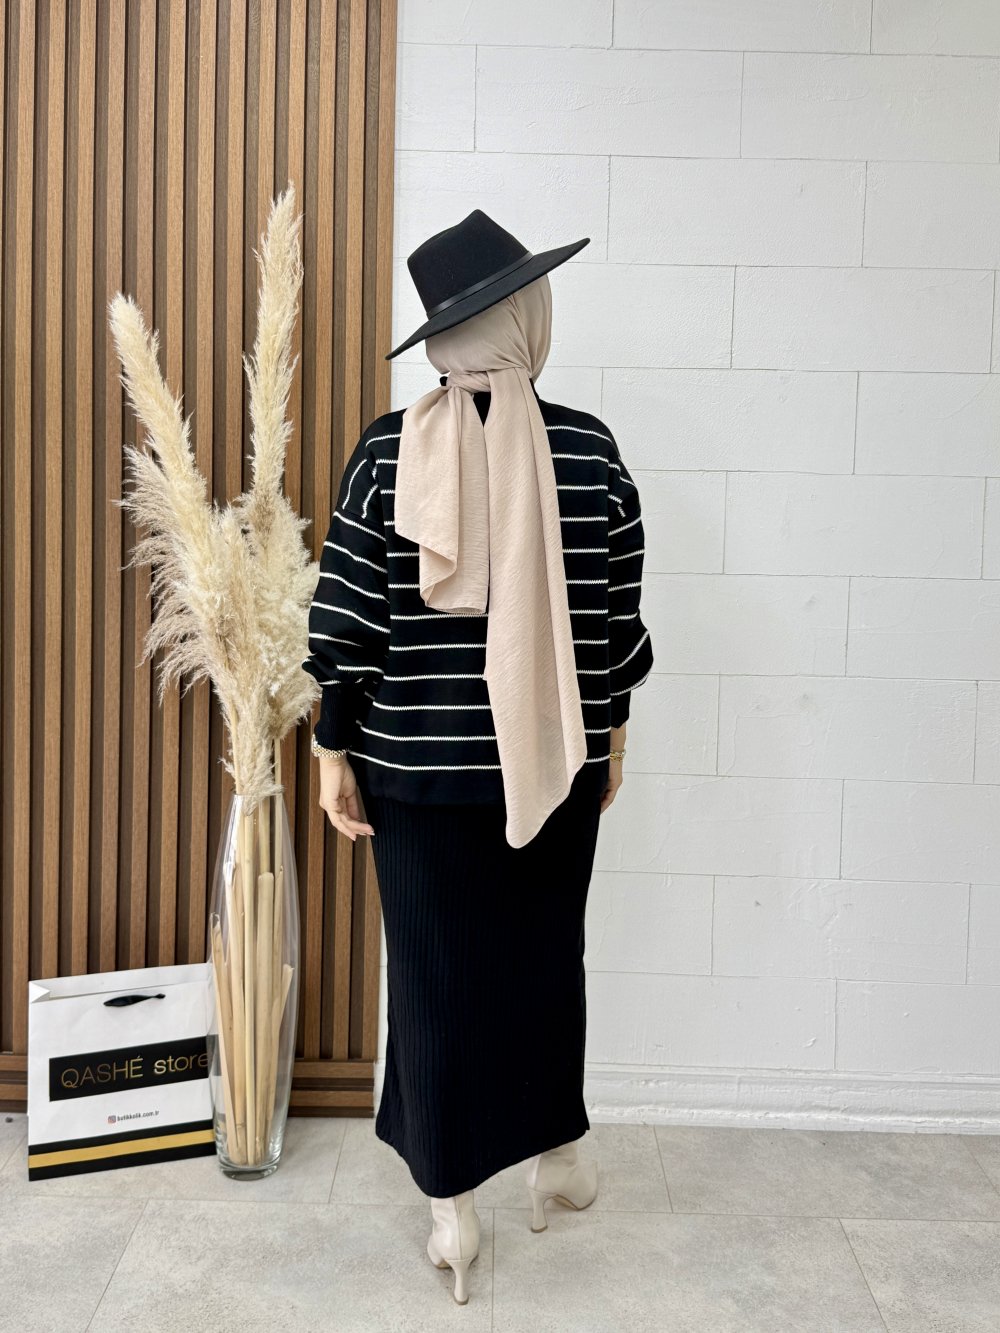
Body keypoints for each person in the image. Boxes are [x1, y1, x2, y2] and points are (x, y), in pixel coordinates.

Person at [301, 209, 653, 1305]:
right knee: (545, 961)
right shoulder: (590, 451)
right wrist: (610, 737)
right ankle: (559, 1160)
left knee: (433, 978)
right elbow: (614, 623)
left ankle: (452, 1207)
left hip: (416, 774)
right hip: (555, 766)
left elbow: (346, 623)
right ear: (526, 319)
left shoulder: (385, 451)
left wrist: (332, 748)